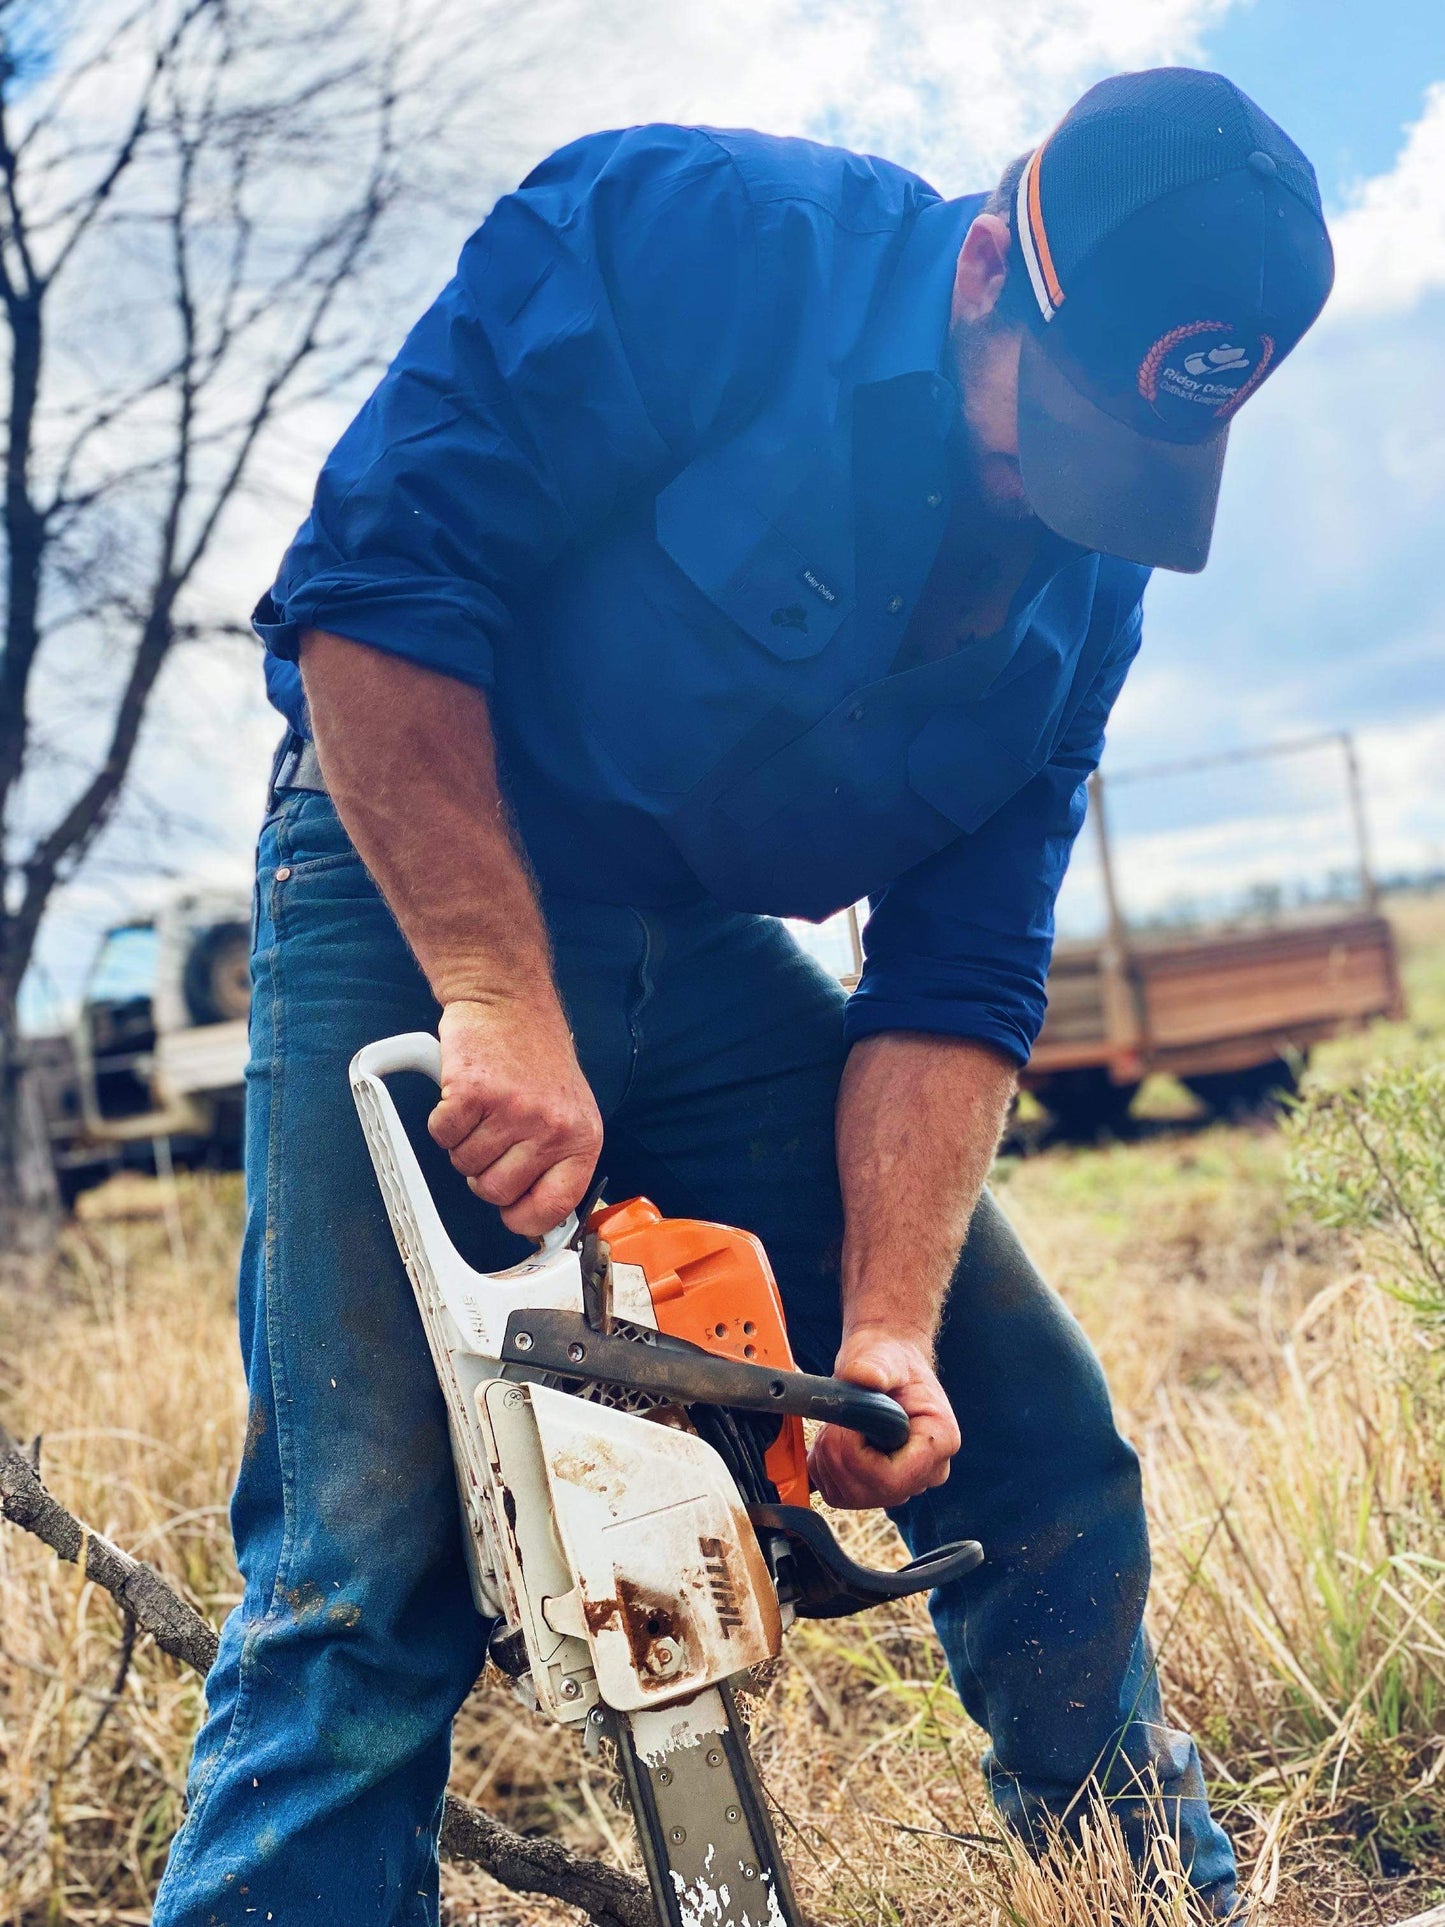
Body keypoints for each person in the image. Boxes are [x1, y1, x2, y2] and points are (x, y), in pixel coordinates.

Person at [153, 67, 1333, 1926]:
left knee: (1036, 1445)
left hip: (699, 945)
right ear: (979, 275)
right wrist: (492, 989)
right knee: (364, 1566)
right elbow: (371, 594)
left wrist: (884, 1330)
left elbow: (959, 966)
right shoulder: (686, 242)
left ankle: (1145, 1899)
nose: (1063, 509)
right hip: (413, 876)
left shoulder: (1090, 573)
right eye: (1057, 439)